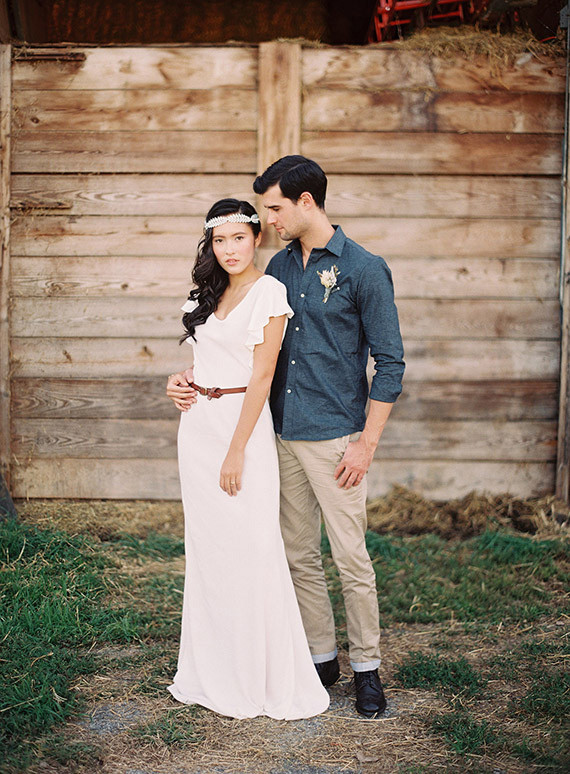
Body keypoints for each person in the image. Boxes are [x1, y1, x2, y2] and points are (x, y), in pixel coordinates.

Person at [169, 157, 405, 718]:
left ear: (306, 202)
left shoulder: (365, 269)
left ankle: (367, 669)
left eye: (274, 207)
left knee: (350, 557)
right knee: (298, 554)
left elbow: (390, 364)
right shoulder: (279, 269)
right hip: (278, 436)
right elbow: (245, 353)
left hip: (335, 437)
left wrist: (365, 442)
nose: (267, 218)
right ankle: (321, 659)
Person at [166, 198, 329, 720]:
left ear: (256, 238)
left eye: (239, 238)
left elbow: (260, 377)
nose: (230, 249)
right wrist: (178, 381)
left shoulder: (271, 293)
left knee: (253, 549)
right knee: (209, 552)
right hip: (198, 429)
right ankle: (211, 670)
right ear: (210, 246)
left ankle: (259, 675)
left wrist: (236, 451)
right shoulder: (209, 294)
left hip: (242, 430)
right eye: (220, 240)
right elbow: (203, 359)